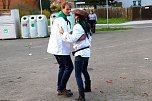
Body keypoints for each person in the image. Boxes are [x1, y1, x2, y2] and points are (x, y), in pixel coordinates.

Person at [59, 9, 92, 101]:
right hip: (86, 52)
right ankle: (88, 87)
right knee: (84, 70)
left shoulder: (77, 26)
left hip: (80, 53)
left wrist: (63, 33)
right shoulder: (87, 25)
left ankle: (81, 96)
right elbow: (85, 37)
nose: (73, 16)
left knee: (78, 75)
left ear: (77, 17)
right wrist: (78, 37)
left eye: (74, 15)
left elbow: (72, 39)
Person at [47, 2, 74, 97]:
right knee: (69, 67)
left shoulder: (59, 18)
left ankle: (60, 87)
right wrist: (72, 37)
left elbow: (64, 32)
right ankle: (61, 88)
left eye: (70, 9)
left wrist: (69, 33)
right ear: (62, 9)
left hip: (57, 48)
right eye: (67, 9)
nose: (69, 11)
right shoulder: (61, 20)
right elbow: (63, 35)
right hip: (60, 48)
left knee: (62, 67)